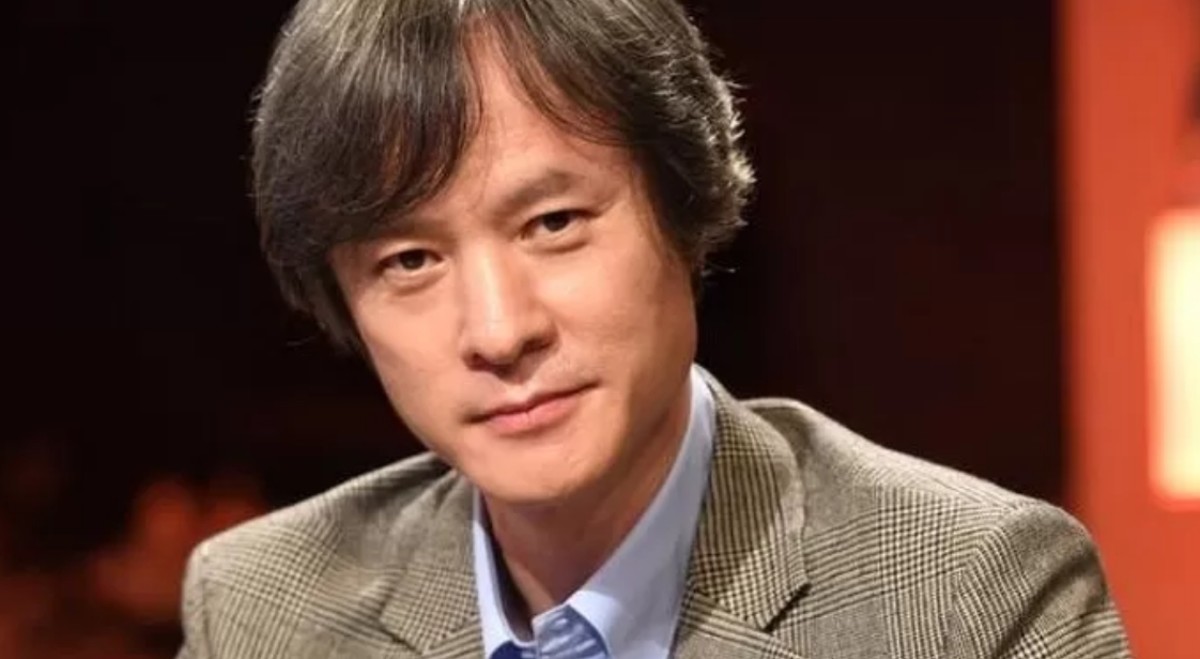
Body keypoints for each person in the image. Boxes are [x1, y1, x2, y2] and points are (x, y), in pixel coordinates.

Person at [177, 0, 1131, 657]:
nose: (499, 331)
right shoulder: (262, 607)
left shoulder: (970, 596)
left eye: (554, 223)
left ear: (686, 208)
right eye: (410, 261)